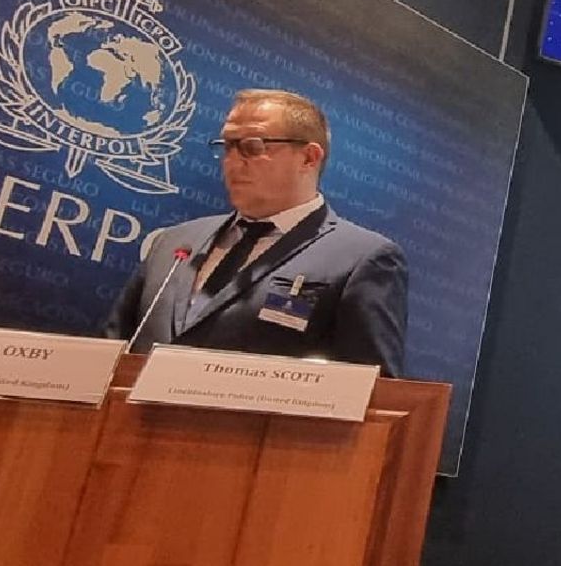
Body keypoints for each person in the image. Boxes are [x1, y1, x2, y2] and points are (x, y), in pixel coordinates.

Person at [104, 89, 408, 376]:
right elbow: (113, 347)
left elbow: (370, 393)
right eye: (227, 146)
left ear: (308, 158)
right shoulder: (174, 241)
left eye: (252, 146)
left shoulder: (362, 258)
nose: (232, 161)